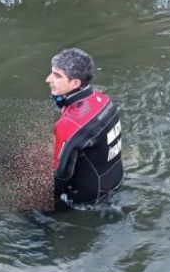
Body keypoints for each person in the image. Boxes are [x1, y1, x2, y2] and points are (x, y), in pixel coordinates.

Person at [45, 48, 123, 207]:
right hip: (115, 177)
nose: (48, 79)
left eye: (57, 75)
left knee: (22, 208)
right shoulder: (103, 99)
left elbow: (60, 178)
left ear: (75, 83)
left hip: (89, 198)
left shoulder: (70, 125)